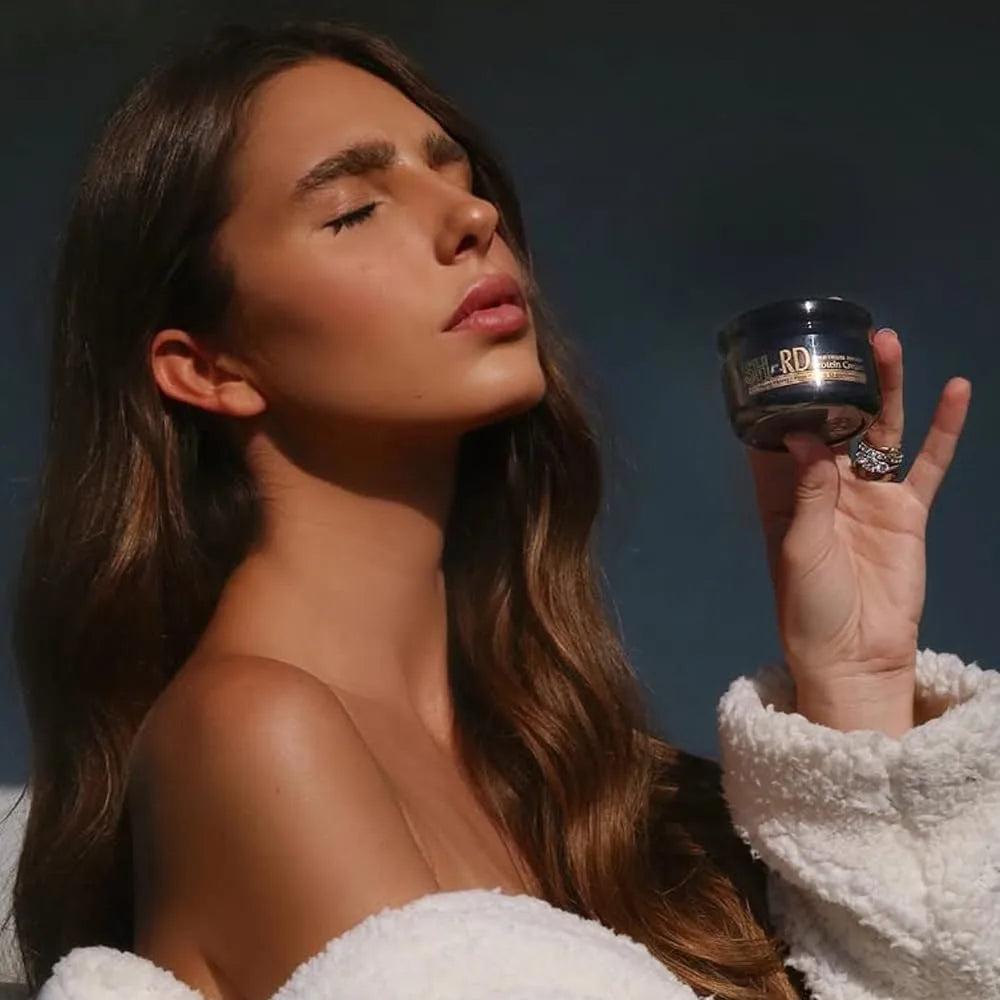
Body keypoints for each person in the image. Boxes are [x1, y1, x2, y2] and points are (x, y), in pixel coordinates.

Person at [4, 17, 997, 1000]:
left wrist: (856, 687)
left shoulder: (596, 788)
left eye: (460, 175)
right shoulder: (251, 733)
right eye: (353, 208)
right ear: (207, 367)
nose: (470, 217)